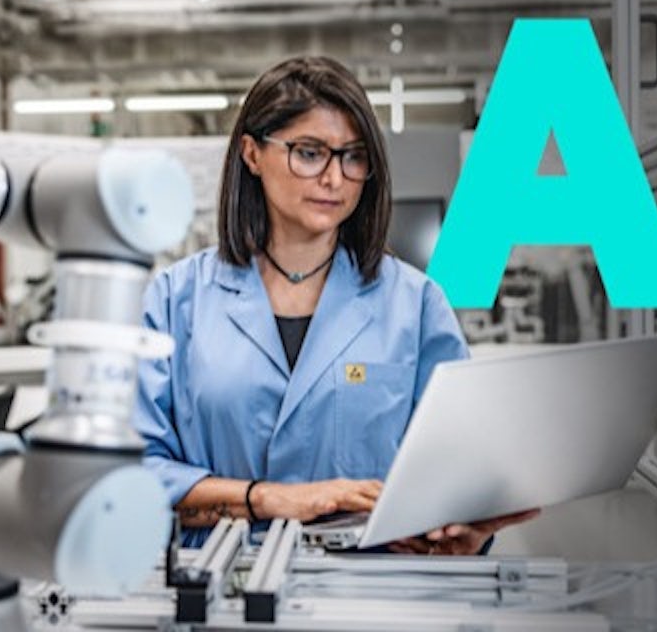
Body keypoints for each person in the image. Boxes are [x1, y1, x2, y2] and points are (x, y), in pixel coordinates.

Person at [134, 55, 537, 552]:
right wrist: (267, 499)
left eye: (354, 157)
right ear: (252, 154)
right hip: (221, 581)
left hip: (372, 587)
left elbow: (457, 470)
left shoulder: (414, 305)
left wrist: (463, 535)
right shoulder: (177, 299)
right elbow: (135, 476)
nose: (335, 178)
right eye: (309, 153)